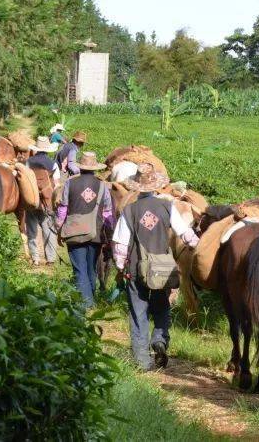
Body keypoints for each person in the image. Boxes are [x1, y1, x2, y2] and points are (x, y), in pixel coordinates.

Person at [112, 166, 199, 371]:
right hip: (163, 268)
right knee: (162, 307)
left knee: (138, 312)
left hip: (136, 268)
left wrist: (119, 266)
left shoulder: (129, 210)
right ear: (155, 186)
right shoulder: (167, 207)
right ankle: (160, 339)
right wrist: (198, 245)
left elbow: (121, 244)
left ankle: (142, 360)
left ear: (137, 187)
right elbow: (186, 235)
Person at [56, 151, 113, 306]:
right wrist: (109, 233)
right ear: (94, 168)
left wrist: (59, 228)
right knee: (91, 268)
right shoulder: (102, 185)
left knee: (79, 268)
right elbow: (108, 212)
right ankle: (91, 299)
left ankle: (86, 302)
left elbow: (63, 208)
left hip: (74, 231)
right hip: (96, 232)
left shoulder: (70, 183)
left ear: (80, 167)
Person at [25, 136, 60, 266]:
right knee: (49, 229)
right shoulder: (53, 164)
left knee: (32, 229)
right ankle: (50, 258)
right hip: (47, 201)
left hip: (32, 200)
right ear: (47, 149)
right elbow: (56, 185)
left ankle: (35, 258)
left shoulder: (28, 162)